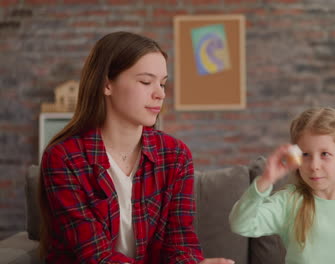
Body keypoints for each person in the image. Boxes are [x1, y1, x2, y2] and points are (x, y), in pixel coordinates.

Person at [38, 31, 234, 264]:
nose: (160, 94)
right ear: (107, 84)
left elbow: (180, 244)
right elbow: (94, 256)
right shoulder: (63, 158)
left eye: (162, 83)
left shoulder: (176, 156)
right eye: (145, 82)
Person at [229, 107, 335, 264]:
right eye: (306, 155)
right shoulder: (289, 202)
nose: (314, 165)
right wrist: (266, 179)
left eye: (325, 154)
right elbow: (241, 224)